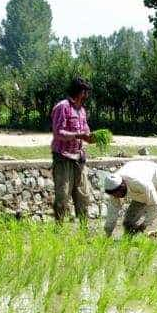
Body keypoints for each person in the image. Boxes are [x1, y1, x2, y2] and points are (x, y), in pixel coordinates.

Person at [51, 77, 94, 223]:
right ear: (79, 92)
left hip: (79, 158)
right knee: (63, 195)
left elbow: (85, 131)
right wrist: (78, 135)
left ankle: (84, 229)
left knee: (83, 195)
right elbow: (58, 132)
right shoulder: (63, 107)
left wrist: (91, 137)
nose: (86, 95)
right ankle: (59, 228)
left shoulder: (81, 111)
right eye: (85, 92)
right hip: (63, 157)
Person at [103, 160, 157, 238]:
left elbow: (154, 205)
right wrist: (108, 233)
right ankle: (127, 241)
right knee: (128, 220)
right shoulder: (113, 187)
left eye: (118, 193)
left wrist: (144, 225)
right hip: (143, 191)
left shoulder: (140, 183)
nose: (117, 196)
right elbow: (113, 211)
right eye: (114, 194)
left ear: (123, 185)